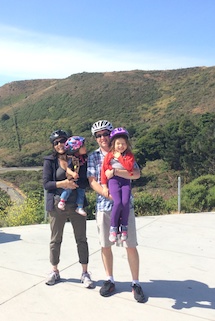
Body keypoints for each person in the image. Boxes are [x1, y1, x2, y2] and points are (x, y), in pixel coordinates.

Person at [87, 120, 146, 303]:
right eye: (98, 135)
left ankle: (135, 283)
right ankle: (109, 279)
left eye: (105, 134)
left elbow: (136, 174)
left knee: (131, 244)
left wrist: (116, 173)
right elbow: (92, 180)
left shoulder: (125, 153)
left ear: (112, 136)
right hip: (104, 205)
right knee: (105, 244)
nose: (102, 138)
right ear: (95, 138)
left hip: (126, 204)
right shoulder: (94, 156)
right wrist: (106, 192)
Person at [43, 129, 94, 288]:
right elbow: (46, 184)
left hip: (77, 205)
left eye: (62, 141)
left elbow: (86, 181)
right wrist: (63, 184)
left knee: (81, 239)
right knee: (55, 239)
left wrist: (77, 182)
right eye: (56, 142)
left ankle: (85, 272)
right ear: (53, 145)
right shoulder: (50, 161)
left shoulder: (80, 159)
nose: (59, 144)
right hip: (57, 204)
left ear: (69, 142)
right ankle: (54, 270)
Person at [100, 127, 136, 244]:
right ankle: (113, 228)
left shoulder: (129, 155)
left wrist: (119, 157)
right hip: (113, 181)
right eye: (118, 144)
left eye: (123, 144)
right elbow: (104, 171)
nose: (121, 146)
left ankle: (124, 227)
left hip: (125, 181)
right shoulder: (109, 155)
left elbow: (129, 167)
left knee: (125, 202)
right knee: (118, 202)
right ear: (113, 144)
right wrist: (104, 186)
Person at [57, 136, 88, 217]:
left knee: (81, 193)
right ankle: (62, 200)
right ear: (76, 148)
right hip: (73, 179)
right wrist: (73, 174)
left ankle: (80, 207)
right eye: (83, 146)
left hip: (81, 179)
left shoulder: (85, 158)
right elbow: (68, 169)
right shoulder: (72, 159)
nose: (85, 148)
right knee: (68, 189)